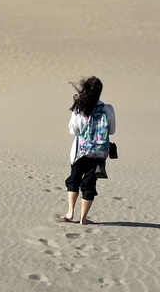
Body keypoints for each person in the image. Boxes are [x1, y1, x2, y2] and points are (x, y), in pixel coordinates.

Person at [60, 76, 116, 225]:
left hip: (80, 152)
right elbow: (112, 131)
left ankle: (71, 212)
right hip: (99, 154)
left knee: (74, 179)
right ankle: (83, 219)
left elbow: (73, 130)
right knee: (89, 184)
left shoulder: (79, 109)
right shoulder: (108, 109)